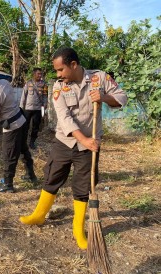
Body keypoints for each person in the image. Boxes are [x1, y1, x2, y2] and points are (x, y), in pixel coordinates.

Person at [19, 47, 128, 250]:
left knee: (83, 184)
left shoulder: (99, 78)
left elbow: (122, 98)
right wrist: (83, 140)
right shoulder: (59, 87)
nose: (58, 75)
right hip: (65, 141)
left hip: (90, 144)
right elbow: (65, 118)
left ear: (74, 65)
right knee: (52, 176)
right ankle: (39, 215)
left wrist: (103, 97)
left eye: (61, 70)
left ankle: (78, 228)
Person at [19, 67, 48, 149]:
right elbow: (23, 95)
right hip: (28, 109)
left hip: (38, 109)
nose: (40, 75)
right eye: (38, 74)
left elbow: (45, 95)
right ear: (34, 74)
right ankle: (23, 142)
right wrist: (21, 107)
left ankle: (32, 142)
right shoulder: (28, 83)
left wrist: (45, 104)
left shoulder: (44, 84)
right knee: (25, 126)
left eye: (41, 74)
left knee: (35, 127)